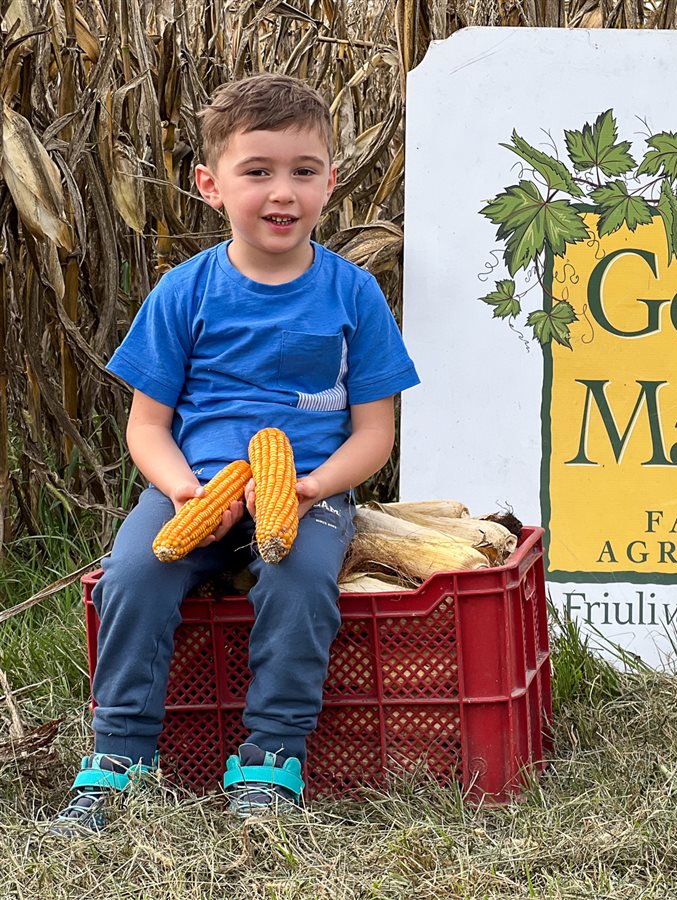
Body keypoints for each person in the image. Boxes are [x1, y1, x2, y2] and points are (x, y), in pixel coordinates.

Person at [50, 74, 419, 834]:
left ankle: (271, 754)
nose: (282, 192)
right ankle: (120, 755)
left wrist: (312, 487)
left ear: (331, 182)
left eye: (303, 171)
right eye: (257, 171)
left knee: (300, 583)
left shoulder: (354, 295)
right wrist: (185, 492)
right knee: (132, 576)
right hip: (194, 487)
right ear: (210, 186)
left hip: (308, 493)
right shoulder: (184, 293)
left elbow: (373, 435)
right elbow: (146, 428)